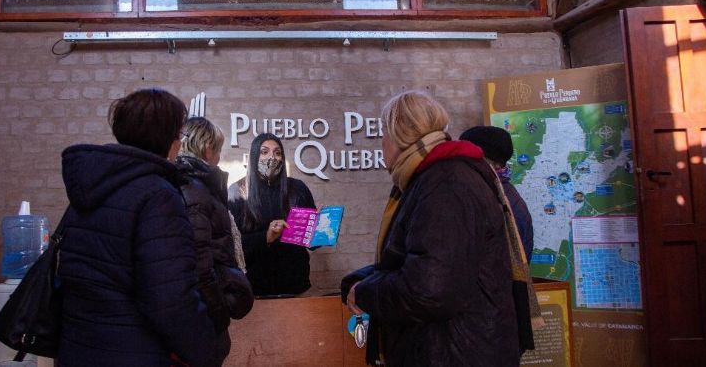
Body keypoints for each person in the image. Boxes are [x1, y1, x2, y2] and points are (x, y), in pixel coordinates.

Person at [341, 90, 533, 367]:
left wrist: (366, 292)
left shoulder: (445, 183)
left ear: (398, 135)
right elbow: (432, 261)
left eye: (383, 133)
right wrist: (361, 280)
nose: (381, 142)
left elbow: (430, 289)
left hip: (455, 352)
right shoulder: (439, 177)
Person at [56, 89, 215, 367]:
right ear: (167, 138)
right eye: (178, 134)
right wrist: (207, 353)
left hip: (79, 348)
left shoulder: (90, 188)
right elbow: (170, 299)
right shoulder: (158, 195)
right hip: (135, 352)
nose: (179, 142)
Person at [175, 117, 254, 366]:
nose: (219, 158)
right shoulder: (195, 190)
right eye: (218, 150)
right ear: (207, 149)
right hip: (201, 317)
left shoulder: (189, 185)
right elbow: (200, 263)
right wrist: (219, 314)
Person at [228, 132, 316, 296]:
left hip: (295, 285)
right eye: (264, 152)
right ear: (254, 156)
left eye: (277, 153)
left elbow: (312, 242)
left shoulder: (298, 189)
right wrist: (266, 237)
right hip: (253, 288)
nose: (272, 157)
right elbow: (231, 245)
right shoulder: (237, 192)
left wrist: (320, 228)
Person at [460, 125, 535, 261]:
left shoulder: (506, 204)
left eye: (473, 158)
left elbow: (504, 266)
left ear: (497, 164)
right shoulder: (485, 192)